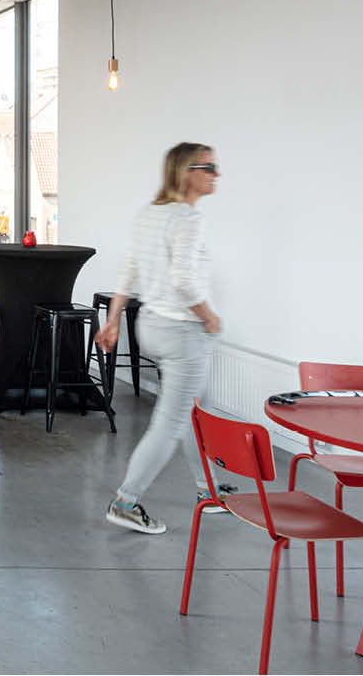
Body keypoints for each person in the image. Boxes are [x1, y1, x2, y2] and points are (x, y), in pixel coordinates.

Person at [98, 142, 225, 535]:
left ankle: (209, 489)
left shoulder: (149, 214)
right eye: (209, 167)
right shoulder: (188, 218)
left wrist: (114, 319)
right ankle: (126, 502)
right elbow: (183, 280)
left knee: (191, 408)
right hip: (182, 333)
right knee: (170, 422)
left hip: (150, 326)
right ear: (187, 172)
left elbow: (129, 270)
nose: (216, 174)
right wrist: (209, 317)